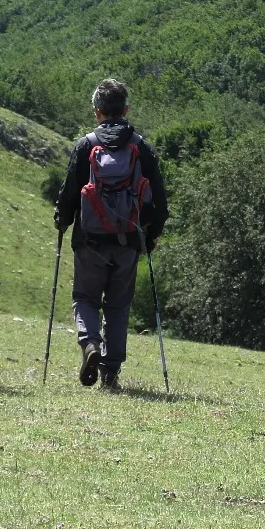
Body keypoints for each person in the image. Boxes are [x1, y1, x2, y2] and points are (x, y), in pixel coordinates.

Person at [54, 78, 168, 392]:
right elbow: (159, 201)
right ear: (126, 109)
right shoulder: (141, 148)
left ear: (96, 111)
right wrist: (152, 236)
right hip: (129, 239)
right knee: (118, 306)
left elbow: (69, 193)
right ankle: (110, 374)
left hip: (90, 240)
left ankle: (90, 343)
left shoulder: (86, 145)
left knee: (85, 298)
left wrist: (62, 221)